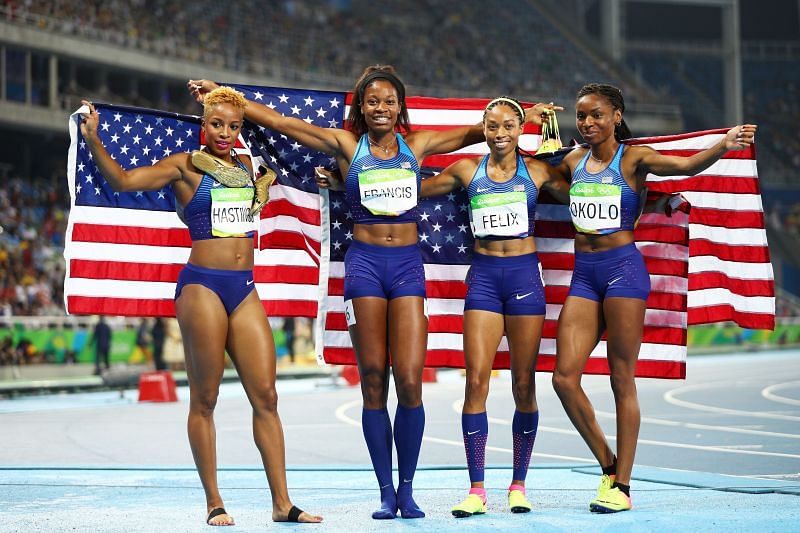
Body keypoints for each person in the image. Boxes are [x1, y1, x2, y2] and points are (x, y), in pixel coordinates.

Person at [189, 67, 555, 520]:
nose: (380, 108)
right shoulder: (347, 146)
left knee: (409, 381)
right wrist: (230, 98)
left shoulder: (416, 145)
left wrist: (530, 114)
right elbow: (288, 126)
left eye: (388, 101)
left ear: (400, 107)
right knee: (375, 382)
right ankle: (386, 492)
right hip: (363, 267)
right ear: (361, 108)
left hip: (407, 269)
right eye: (372, 101)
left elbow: (481, 129)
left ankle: (407, 490)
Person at [78, 87, 322, 526]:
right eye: (216, 124)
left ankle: (282, 503)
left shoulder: (249, 167)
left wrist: (224, 92)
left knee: (266, 396)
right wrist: (94, 138)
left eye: (233, 125)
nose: (225, 133)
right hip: (202, 287)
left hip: (245, 288)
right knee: (205, 398)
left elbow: (285, 128)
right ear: (203, 124)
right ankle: (214, 501)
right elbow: (125, 182)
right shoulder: (184, 167)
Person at [548, 83, 757, 513]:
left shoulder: (635, 159)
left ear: (616, 116)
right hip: (584, 276)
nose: (588, 123)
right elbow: (527, 173)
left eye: (597, 115)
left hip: (624, 272)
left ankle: (621, 486)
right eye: (582, 116)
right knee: (563, 378)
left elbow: (686, 165)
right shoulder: (571, 161)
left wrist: (724, 143)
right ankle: (609, 462)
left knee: (621, 379)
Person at [415, 97, 568, 517]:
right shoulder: (467, 170)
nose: (499, 133)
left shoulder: (538, 171)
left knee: (523, 385)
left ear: (521, 130)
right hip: (483, 279)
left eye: (508, 126)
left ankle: (518, 484)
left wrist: (651, 200)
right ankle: (477, 489)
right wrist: (350, 179)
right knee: (475, 382)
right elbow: (416, 190)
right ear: (483, 129)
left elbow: (592, 193)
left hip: (523, 281)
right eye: (492, 126)